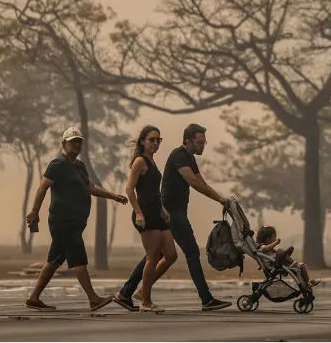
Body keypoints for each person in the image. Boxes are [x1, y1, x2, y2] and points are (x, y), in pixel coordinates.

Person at [113, 123, 232, 312]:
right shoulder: (177, 157)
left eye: (158, 140)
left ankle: (129, 292)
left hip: (164, 211)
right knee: (189, 252)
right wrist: (138, 212)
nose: (203, 146)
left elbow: (200, 180)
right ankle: (206, 299)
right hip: (170, 211)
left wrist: (221, 198)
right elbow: (192, 182)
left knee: (161, 255)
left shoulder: (185, 158)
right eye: (200, 142)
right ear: (188, 141)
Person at [25, 127, 129, 311]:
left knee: (54, 260)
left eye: (79, 141)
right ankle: (93, 298)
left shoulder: (79, 166)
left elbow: (91, 187)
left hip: (76, 220)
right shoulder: (56, 165)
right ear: (64, 144)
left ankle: (34, 297)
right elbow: (42, 188)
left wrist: (114, 196)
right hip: (63, 220)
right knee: (79, 258)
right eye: (73, 141)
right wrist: (34, 212)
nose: (76, 144)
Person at [125, 125, 177, 313]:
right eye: (152, 140)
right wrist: (138, 212)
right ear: (143, 141)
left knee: (171, 255)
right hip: (145, 212)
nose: (155, 143)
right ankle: (145, 300)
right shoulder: (140, 161)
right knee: (152, 256)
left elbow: (154, 191)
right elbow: (130, 189)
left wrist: (163, 209)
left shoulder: (152, 161)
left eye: (158, 140)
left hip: (157, 211)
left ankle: (141, 290)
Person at [255, 225, 321, 288]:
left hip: (278, 261)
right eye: (274, 237)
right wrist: (276, 243)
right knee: (280, 251)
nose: (275, 239)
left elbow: (271, 250)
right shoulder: (261, 247)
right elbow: (266, 249)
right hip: (274, 264)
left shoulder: (269, 249)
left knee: (301, 267)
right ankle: (287, 258)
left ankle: (307, 282)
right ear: (268, 240)